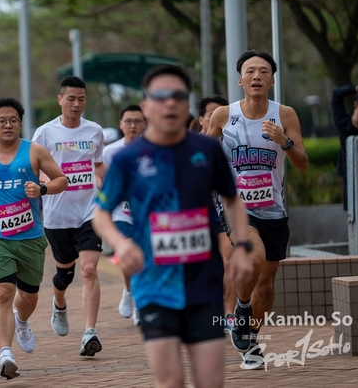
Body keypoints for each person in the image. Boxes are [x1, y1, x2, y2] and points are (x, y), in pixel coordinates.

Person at [93, 64, 253, 388]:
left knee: (211, 382)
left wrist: (242, 246)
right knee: (171, 381)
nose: (170, 103)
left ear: (186, 103)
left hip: (204, 285)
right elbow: (101, 212)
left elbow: (233, 200)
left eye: (178, 96)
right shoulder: (127, 159)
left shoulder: (207, 149)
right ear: (146, 105)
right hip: (154, 286)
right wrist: (121, 244)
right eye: (161, 96)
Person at [207, 50, 309, 370]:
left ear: (272, 80)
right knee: (253, 257)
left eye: (263, 71)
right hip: (236, 207)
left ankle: (250, 340)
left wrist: (285, 142)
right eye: (250, 71)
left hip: (274, 209)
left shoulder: (285, 115)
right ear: (240, 80)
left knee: (266, 286)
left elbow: (302, 163)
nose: (256, 76)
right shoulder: (223, 115)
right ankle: (241, 307)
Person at [0, 97, 68, 379]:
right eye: (2, 121)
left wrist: (42, 189)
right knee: (3, 292)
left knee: (29, 296)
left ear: (20, 124)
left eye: (13, 120)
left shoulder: (34, 151)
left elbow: (61, 180)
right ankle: (5, 354)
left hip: (30, 236)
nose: (8, 125)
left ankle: (21, 321)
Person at [32, 75, 106, 357]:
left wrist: (114, 185)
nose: (76, 104)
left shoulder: (94, 131)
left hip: (90, 210)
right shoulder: (44, 133)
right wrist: (44, 184)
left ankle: (89, 332)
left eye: (82, 99)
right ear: (60, 100)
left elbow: (98, 166)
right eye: (71, 99)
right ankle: (59, 303)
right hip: (57, 215)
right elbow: (35, 171)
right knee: (65, 274)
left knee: (89, 270)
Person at [102, 104, 146, 325]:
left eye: (137, 121)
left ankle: (132, 293)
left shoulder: (154, 149)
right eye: (128, 121)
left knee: (143, 258)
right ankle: (136, 300)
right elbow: (103, 179)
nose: (132, 125)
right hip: (122, 213)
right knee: (130, 253)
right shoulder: (111, 152)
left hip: (146, 214)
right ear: (121, 124)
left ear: (145, 124)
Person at [197, 95, 237, 333]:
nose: (218, 118)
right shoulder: (191, 146)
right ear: (201, 120)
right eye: (212, 115)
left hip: (224, 211)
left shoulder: (233, 143)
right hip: (198, 214)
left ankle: (229, 314)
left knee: (229, 258)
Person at [330, 84, 358, 210]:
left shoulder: (344, 124)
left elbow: (336, 94)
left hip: (349, 177)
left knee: (352, 214)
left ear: (355, 105)